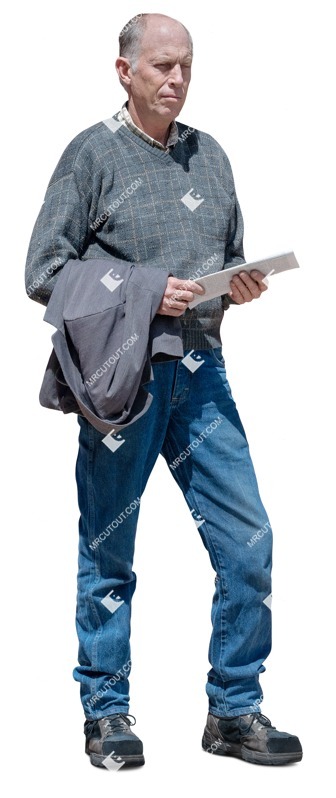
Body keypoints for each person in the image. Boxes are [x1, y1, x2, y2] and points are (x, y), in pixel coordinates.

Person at [25, 12, 302, 770]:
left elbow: (227, 256)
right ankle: (106, 714)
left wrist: (239, 285)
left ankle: (235, 711)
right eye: (160, 67)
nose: (175, 80)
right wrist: (147, 291)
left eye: (185, 67)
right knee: (109, 547)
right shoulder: (90, 156)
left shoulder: (210, 156)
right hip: (124, 378)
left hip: (203, 373)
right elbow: (42, 273)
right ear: (124, 71)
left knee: (250, 542)